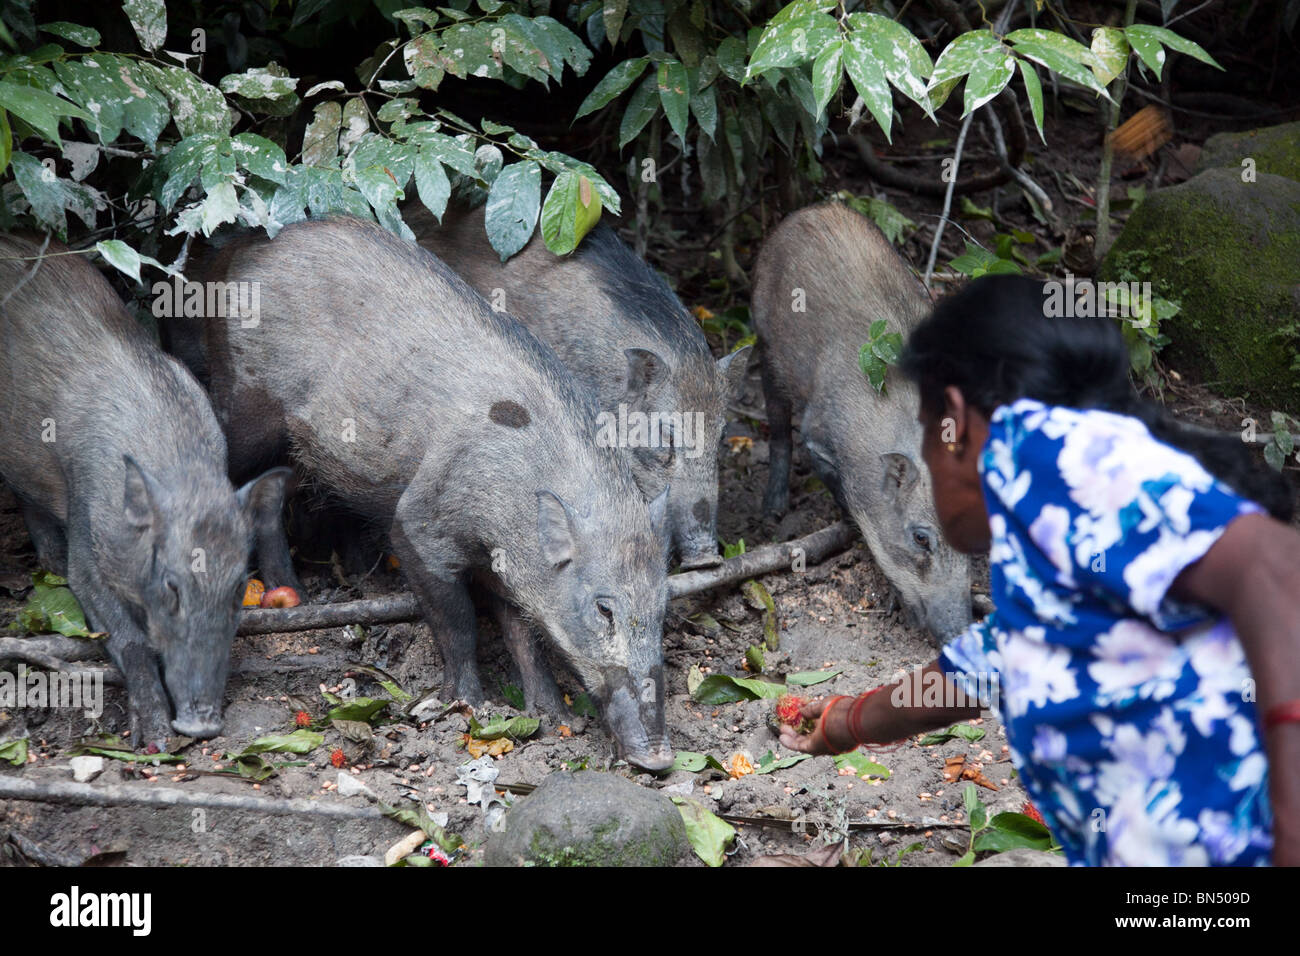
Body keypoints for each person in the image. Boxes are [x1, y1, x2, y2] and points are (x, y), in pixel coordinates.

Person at [779, 275, 1300, 866]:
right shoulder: (1065, 531)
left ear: (955, 421)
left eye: (925, 431)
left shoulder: (1033, 443)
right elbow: (986, 666)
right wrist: (847, 722)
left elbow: (1277, 568)